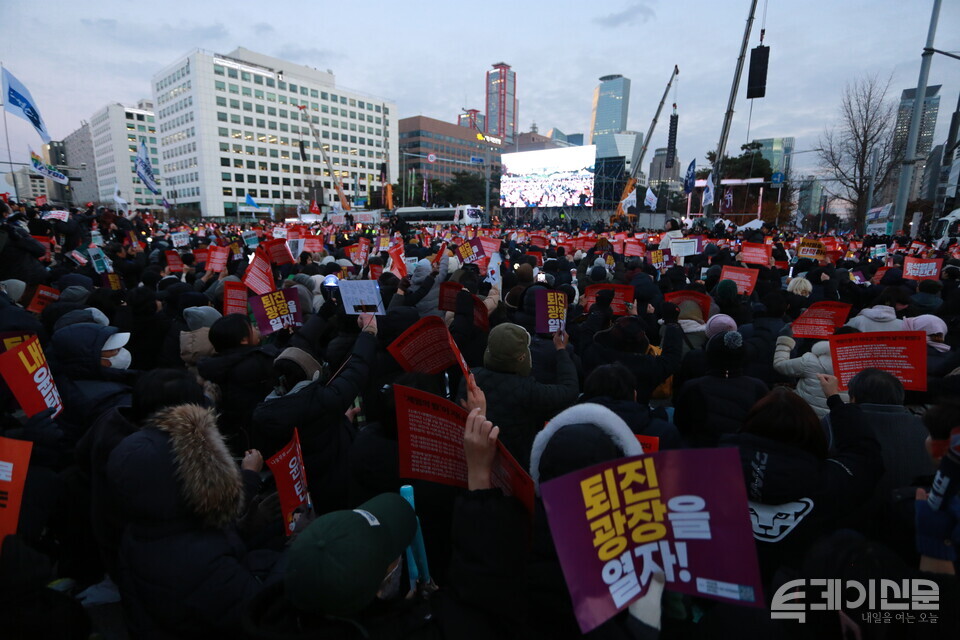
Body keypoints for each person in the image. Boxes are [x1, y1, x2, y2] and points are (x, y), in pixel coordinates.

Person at [107, 402, 281, 638]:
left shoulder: (145, 528)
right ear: (179, 486)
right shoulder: (198, 562)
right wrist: (302, 547)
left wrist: (245, 527)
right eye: (200, 464)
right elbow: (259, 608)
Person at [721, 384, 883, 589]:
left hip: (727, 590)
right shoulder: (828, 482)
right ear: (811, 432)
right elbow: (866, 456)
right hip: (796, 596)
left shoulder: (709, 470)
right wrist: (837, 403)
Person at [459, 323, 578, 469]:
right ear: (522, 358)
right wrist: (561, 350)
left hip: (472, 460)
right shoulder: (528, 390)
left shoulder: (470, 379)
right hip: (514, 464)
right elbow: (569, 390)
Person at [674, 331, 769, 448]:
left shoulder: (693, 387)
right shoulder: (758, 387)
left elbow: (681, 424)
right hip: (742, 455)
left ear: (709, 355)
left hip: (703, 453)